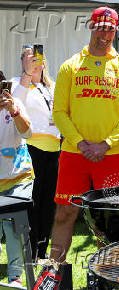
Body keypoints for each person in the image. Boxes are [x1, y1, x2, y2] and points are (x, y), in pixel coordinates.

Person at [50, 7, 119, 263]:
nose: (105, 33)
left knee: (108, 215)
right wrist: (80, 143)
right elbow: (59, 112)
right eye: (101, 27)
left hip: (111, 154)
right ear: (91, 26)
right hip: (73, 153)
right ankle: (56, 270)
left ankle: (107, 271)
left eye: (110, 28)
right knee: (65, 213)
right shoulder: (71, 66)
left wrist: (106, 144)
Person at [11, 45, 60, 261]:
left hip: (54, 150)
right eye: (28, 58)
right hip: (31, 149)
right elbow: (15, 103)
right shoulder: (17, 83)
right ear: (22, 62)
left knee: (49, 203)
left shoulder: (52, 86)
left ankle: (42, 248)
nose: (33, 61)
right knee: (33, 202)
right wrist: (27, 74)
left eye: (37, 57)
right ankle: (29, 251)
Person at [0, 81, 33, 287]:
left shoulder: (15, 104)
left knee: (13, 227)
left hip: (19, 176)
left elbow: (28, 133)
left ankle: (15, 277)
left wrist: (13, 111)